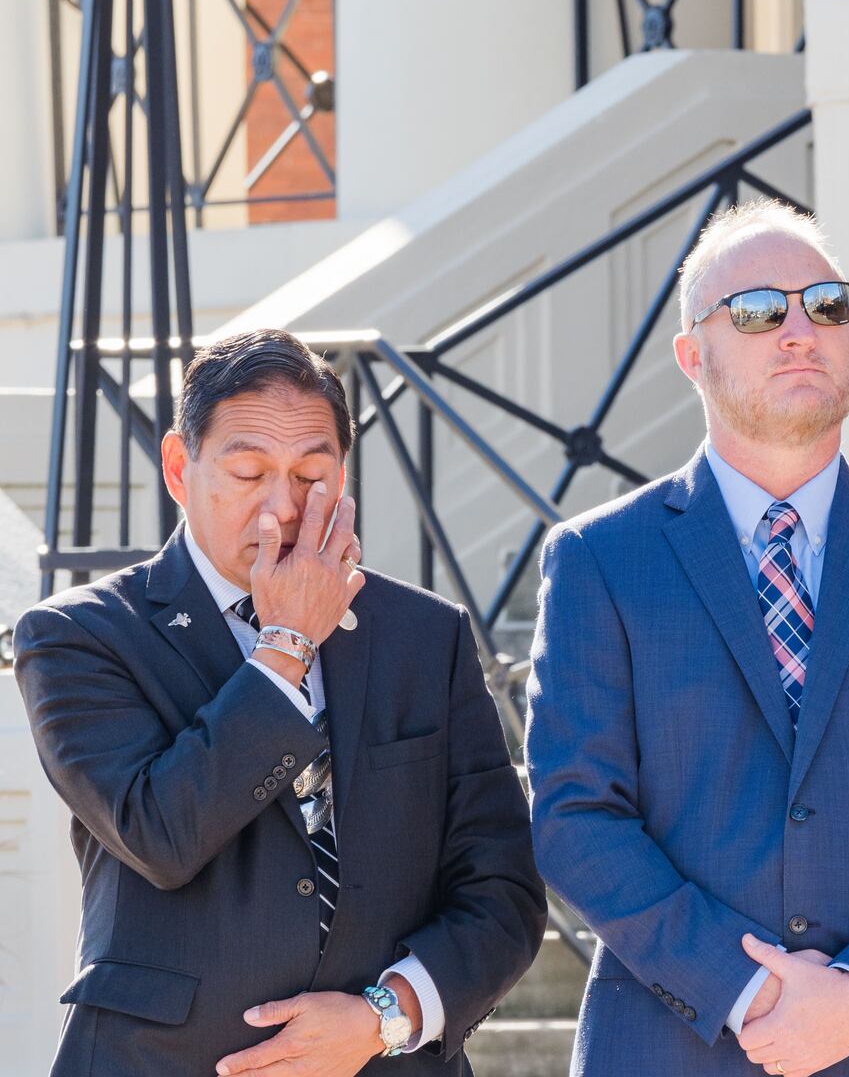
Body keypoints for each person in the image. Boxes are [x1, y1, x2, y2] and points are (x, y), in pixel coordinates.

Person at [525, 200, 849, 1076]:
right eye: (759, 310)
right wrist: (745, 989)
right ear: (693, 355)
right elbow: (576, 816)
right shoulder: (600, 560)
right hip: (670, 1045)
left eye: (827, 304)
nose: (801, 329)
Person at [15, 328, 546, 1076]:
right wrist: (288, 642)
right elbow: (162, 835)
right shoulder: (79, 637)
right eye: (248, 471)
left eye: (310, 474)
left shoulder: (429, 637)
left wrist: (382, 1017)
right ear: (179, 467)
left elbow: (502, 894)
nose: (282, 509)